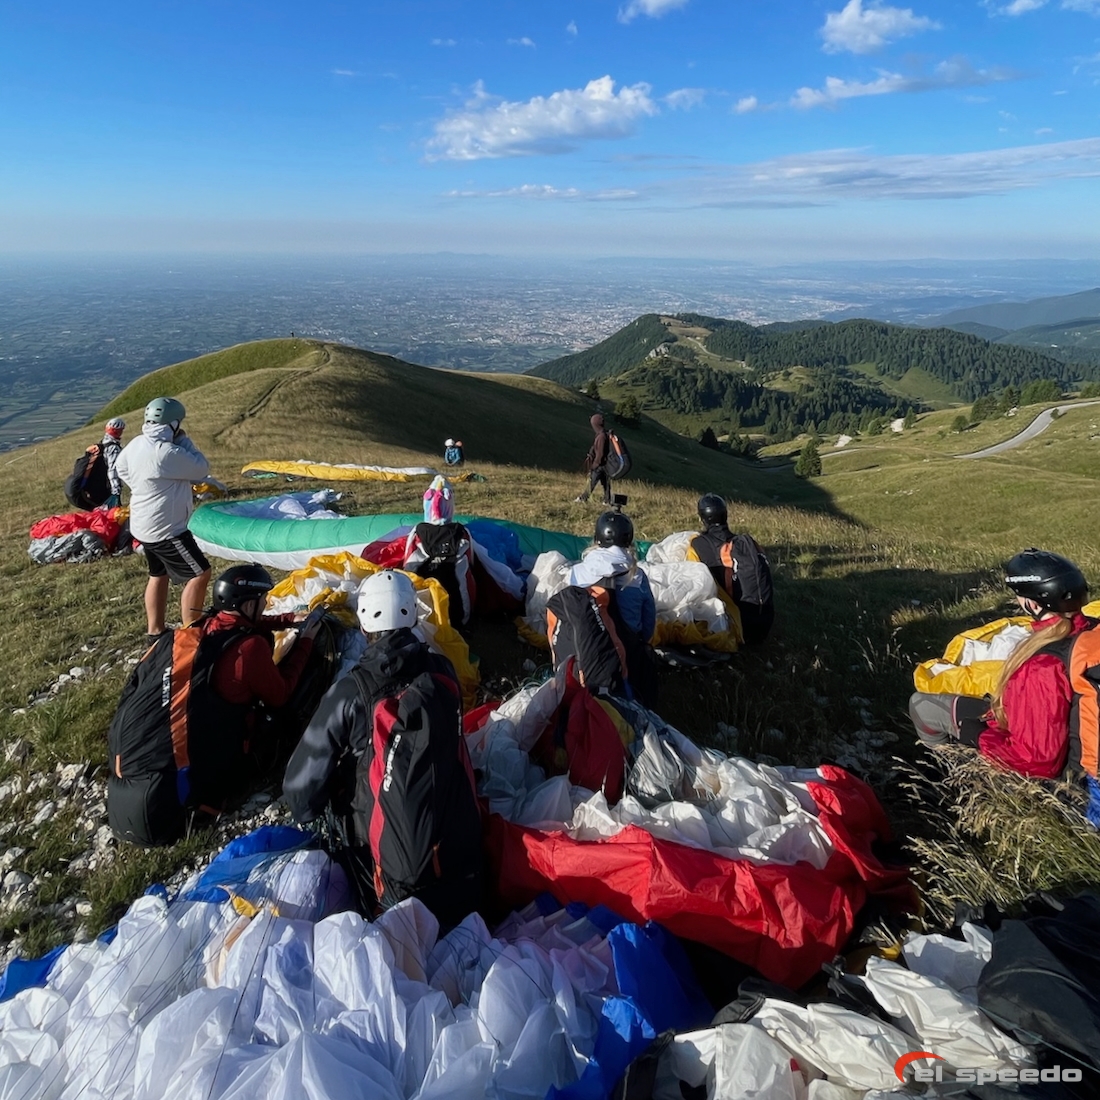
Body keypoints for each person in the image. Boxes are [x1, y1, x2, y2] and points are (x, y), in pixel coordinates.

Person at [282, 570, 484, 929]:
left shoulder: (350, 693)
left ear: (363, 625)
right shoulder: (442, 669)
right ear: (413, 614)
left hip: (394, 880)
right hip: (463, 858)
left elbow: (300, 793)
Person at [107, 564, 324, 845]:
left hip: (165, 753)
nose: (266, 603)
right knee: (293, 701)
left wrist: (288, 619)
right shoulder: (249, 649)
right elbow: (281, 694)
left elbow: (239, 625)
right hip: (212, 763)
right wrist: (306, 640)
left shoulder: (202, 627)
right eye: (262, 601)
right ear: (248, 603)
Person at [909, 549, 1100, 825]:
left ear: (1034, 605)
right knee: (930, 707)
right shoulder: (1091, 630)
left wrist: (979, 738)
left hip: (1061, 791)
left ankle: (961, 800)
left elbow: (1037, 762)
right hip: (1074, 758)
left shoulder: (1044, 664)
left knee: (922, 706)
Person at [116, 397, 212, 645]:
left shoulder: (137, 444)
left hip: (143, 525)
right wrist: (184, 440)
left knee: (158, 574)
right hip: (166, 529)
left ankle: (155, 631)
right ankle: (191, 635)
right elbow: (201, 468)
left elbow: (121, 469)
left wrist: (144, 484)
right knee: (199, 574)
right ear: (174, 423)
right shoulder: (167, 452)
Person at [547, 508, 658, 707]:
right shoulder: (638, 577)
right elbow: (648, 627)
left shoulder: (576, 573)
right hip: (624, 656)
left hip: (578, 654)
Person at [690, 493, 775, 645]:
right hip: (766, 622)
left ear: (703, 518)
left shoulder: (699, 543)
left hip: (738, 625)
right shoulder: (746, 544)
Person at [403, 475, 476, 628]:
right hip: (458, 614)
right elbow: (471, 565)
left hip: (421, 610)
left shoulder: (418, 533)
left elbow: (407, 568)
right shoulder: (462, 534)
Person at [575, 412, 613, 505]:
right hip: (605, 465)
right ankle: (607, 500)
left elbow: (600, 454)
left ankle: (583, 498)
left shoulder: (601, 436)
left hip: (600, 465)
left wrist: (594, 465)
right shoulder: (604, 434)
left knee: (592, 482)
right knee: (605, 483)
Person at [101, 417, 126, 508]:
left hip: (104, 483)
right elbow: (113, 469)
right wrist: (116, 489)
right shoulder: (113, 448)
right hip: (111, 486)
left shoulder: (103, 442)